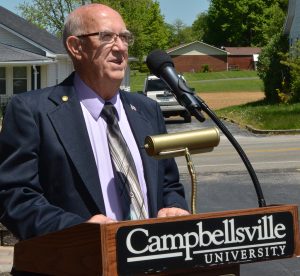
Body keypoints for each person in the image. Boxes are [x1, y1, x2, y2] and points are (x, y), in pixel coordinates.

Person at [0, 3, 189, 241]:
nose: (120, 47)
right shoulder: (32, 111)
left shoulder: (147, 110)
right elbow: (15, 196)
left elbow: (168, 183)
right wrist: (78, 230)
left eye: (125, 37)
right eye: (107, 37)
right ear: (76, 47)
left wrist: (174, 207)